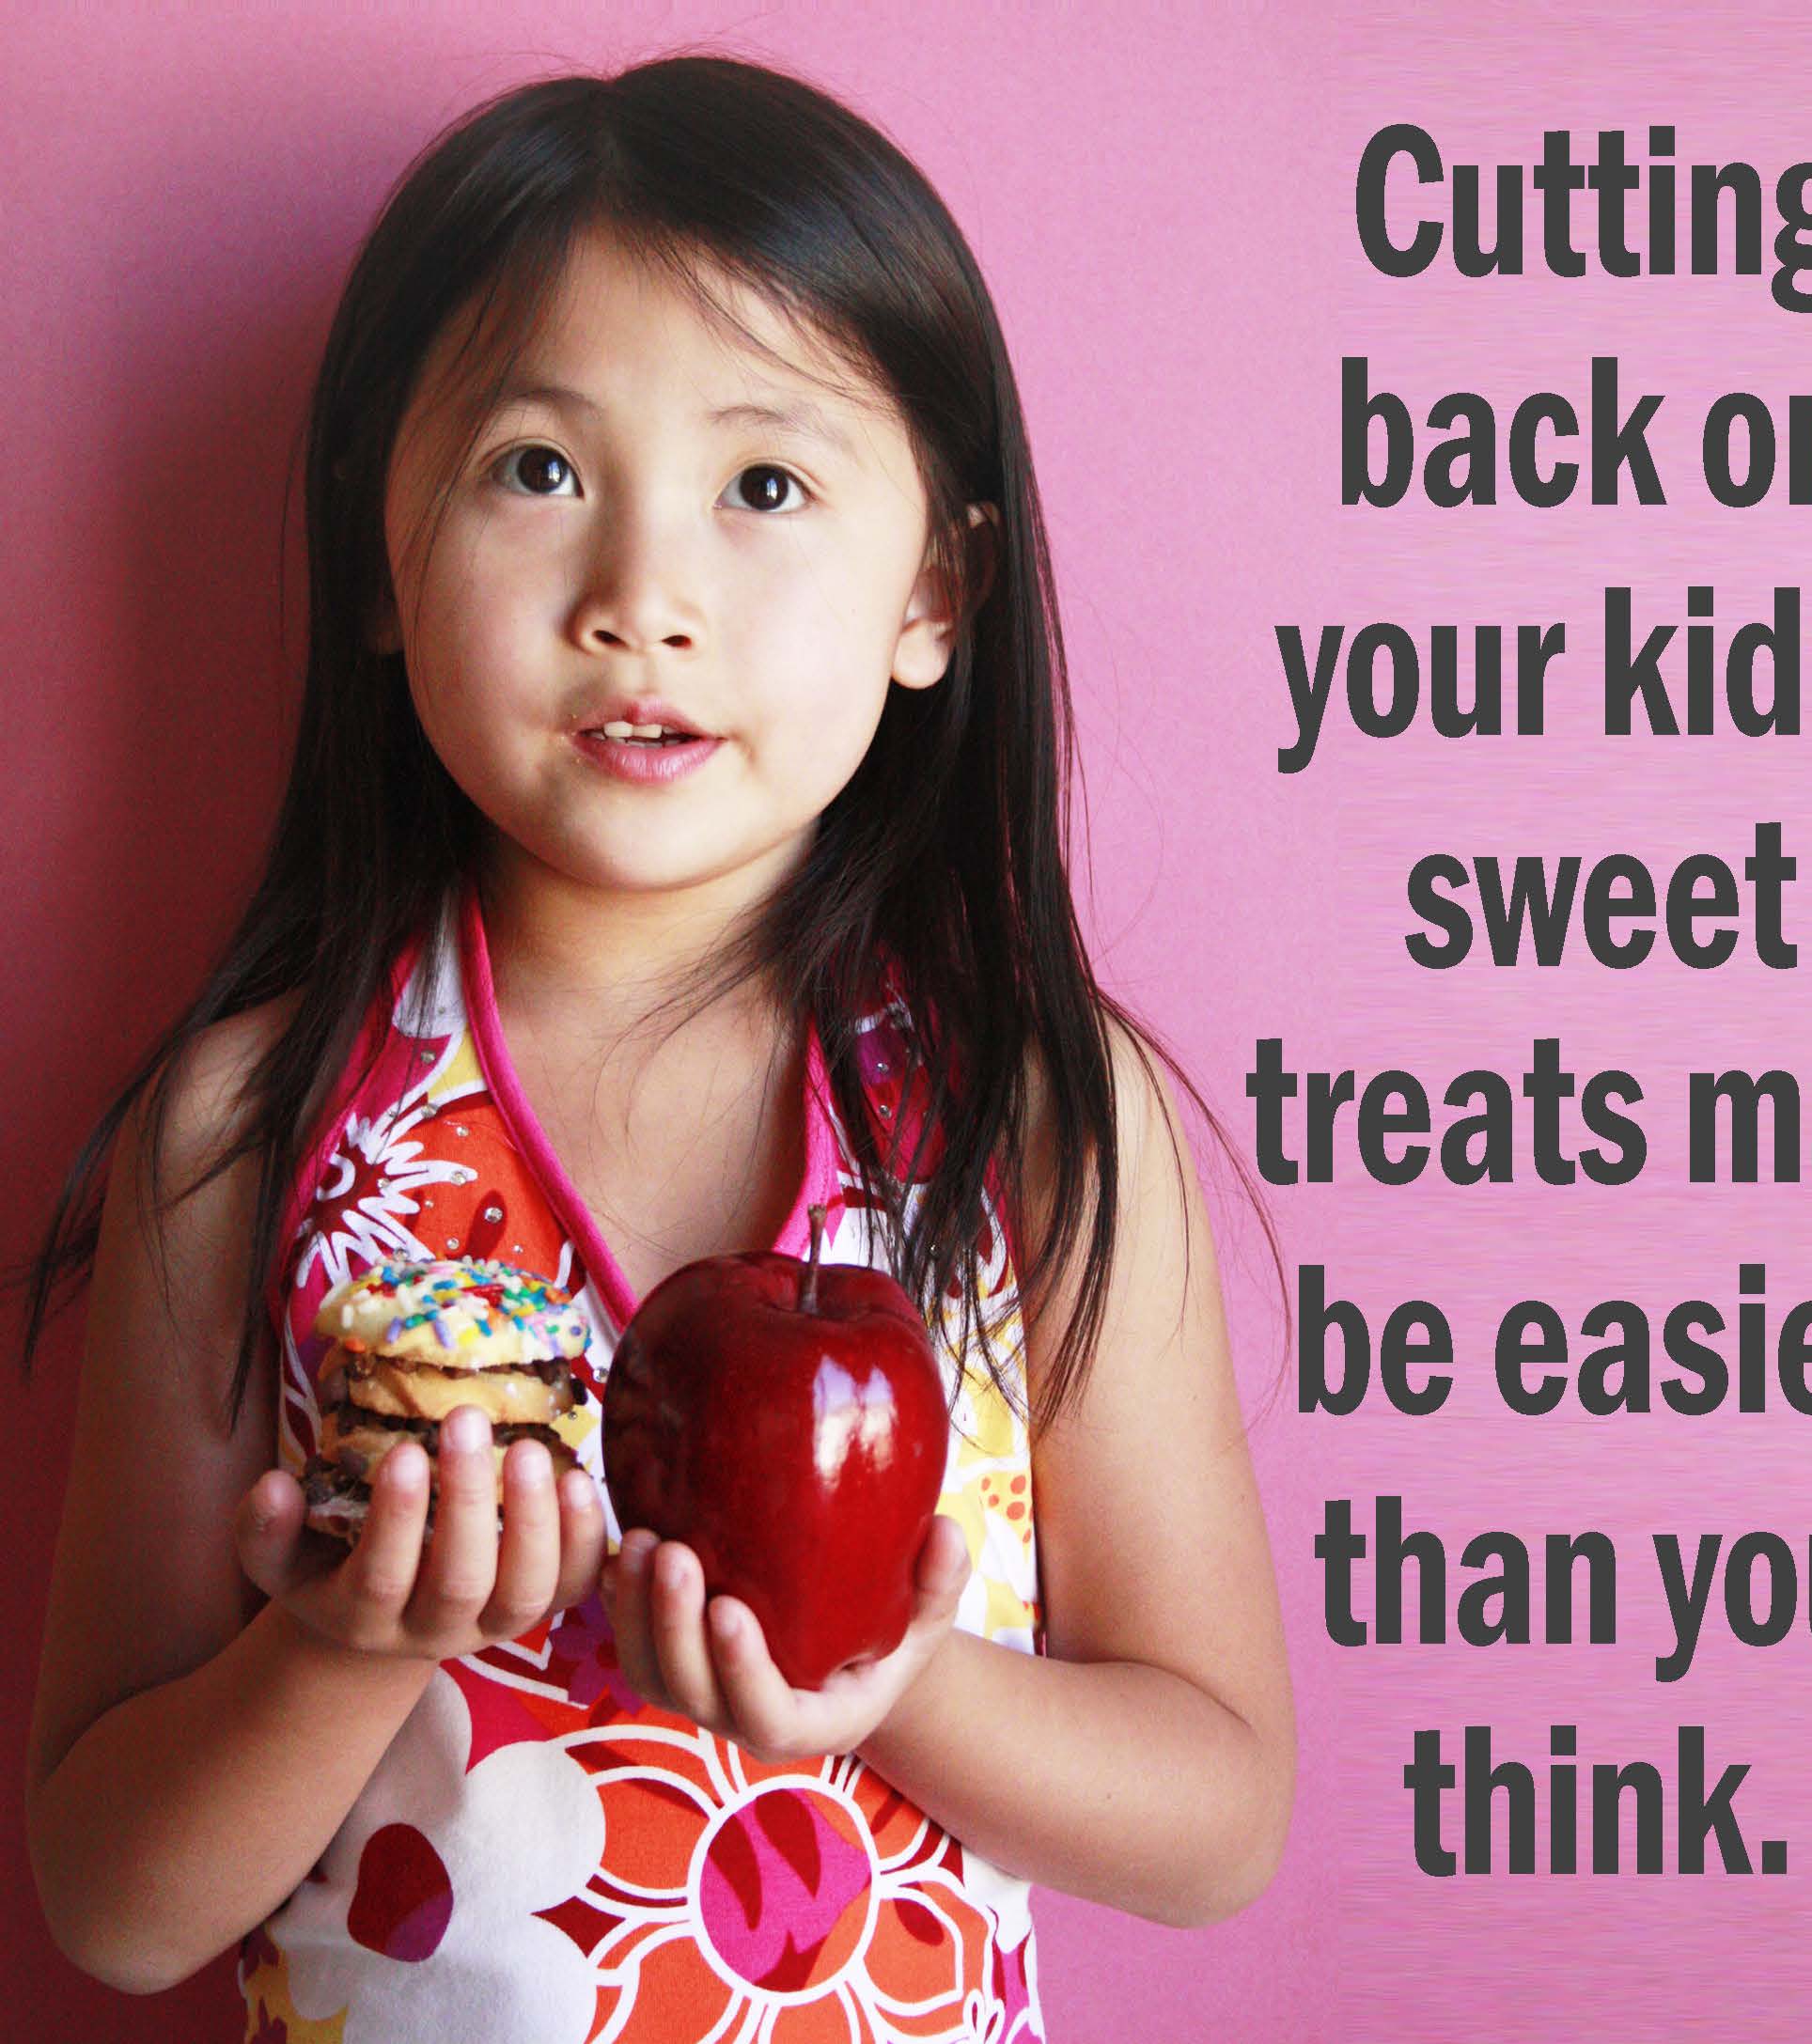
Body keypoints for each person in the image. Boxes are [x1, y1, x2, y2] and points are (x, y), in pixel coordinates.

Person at [15, 52, 1294, 2044]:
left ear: (933, 586)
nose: (642, 599)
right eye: (537, 470)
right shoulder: (253, 1132)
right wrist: (347, 1645)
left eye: (763, 485)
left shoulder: (1028, 1115)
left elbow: (1215, 1813)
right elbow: (107, 1896)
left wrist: (897, 1679)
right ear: (375, 553)